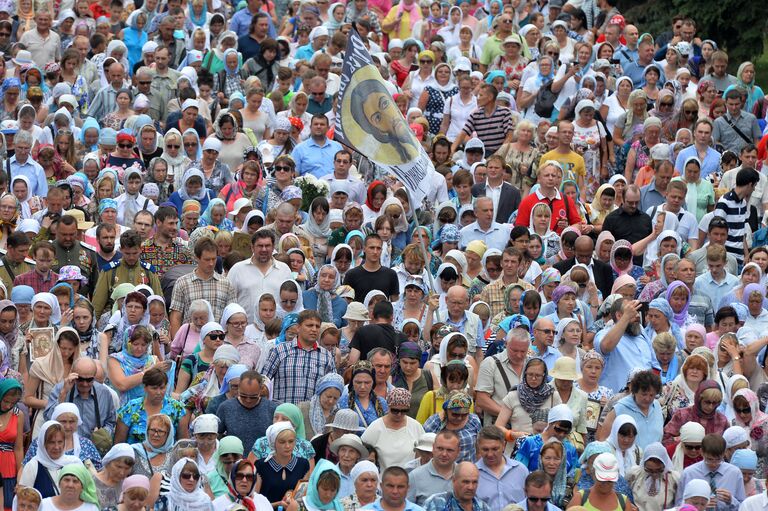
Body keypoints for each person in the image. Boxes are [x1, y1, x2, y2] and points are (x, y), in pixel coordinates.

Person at [423, 462, 491, 511]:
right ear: (454, 480)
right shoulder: (436, 502)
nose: (471, 487)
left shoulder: (483, 507)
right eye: (466, 482)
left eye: (474, 482)